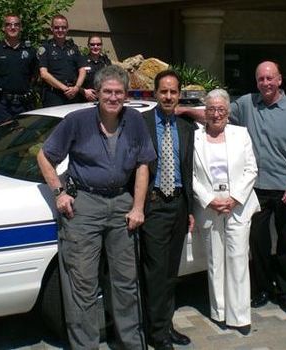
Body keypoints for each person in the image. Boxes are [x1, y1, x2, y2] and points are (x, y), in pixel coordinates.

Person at [37, 65, 155, 349]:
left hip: (122, 206)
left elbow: (142, 164)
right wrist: (59, 193)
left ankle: (131, 343)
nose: (113, 98)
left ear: (126, 95)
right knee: (82, 285)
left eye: (119, 92)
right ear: (97, 94)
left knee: (126, 282)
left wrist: (138, 207)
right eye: (108, 92)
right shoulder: (77, 120)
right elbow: (44, 156)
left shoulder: (135, 121)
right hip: (84, 205)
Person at [230, 61, 286, 314]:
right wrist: (183, 111)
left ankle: (285, 292)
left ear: (279, 80)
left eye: (269, 78)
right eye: (260, 79)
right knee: (258, 242)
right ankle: (263, 289)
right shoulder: (246, 104)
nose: (265, 83)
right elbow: (217, 113)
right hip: (255, 189)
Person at [192, 88, 259, 335]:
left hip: (238, 206)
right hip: (210, 208)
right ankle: (219, 311)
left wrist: (234, 198)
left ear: (228, 111)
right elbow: (191, 175)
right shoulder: (195, 136)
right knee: (215, 261)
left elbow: (251, 169)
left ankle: (240, 316)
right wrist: (209, 200)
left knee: (238, 259)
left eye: (221, 109)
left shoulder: (241, 134)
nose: (216, 114)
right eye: (211, 109)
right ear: (205, 112)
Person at [139, 70, 195, 350]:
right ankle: (156, 332)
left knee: (172, 271)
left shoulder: (186, 127)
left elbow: (189, 171)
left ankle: (166, 324)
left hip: (180, 204)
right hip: (155, 205)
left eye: (174, 92)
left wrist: (191, 210)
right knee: (156, 271)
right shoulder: (141, 122)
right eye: (164, 91)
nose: (169, 96)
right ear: (155, 93)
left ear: (179, 94)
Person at [0, 14, 37, 128]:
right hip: (1, 104)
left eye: (16, 25)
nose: (12, 27)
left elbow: (34, 76)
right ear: (3, 28)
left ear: (21, 27)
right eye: (8, 25)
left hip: (24, 103)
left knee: (22, 140)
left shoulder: (30, 51)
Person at [38, 14, 86, 107]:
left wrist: (77, 88)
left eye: (63, 27)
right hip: (54, 95)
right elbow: (44, 74)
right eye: (57, 27)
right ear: (51, 29)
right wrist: (64, 88)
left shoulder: (73, 47)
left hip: (73, 94)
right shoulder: (45, 48)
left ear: (67, 29)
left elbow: (82, 70)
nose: (60, 30)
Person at [81, 34, 111, 102]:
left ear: (101, 45)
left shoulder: (106, 62)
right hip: (85, 101)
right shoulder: (82, 61)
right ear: (88, 45)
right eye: (92, 44)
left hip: (103, 100)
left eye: (98, 44)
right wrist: (84, 91)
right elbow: (74, 82)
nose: (95, 47)